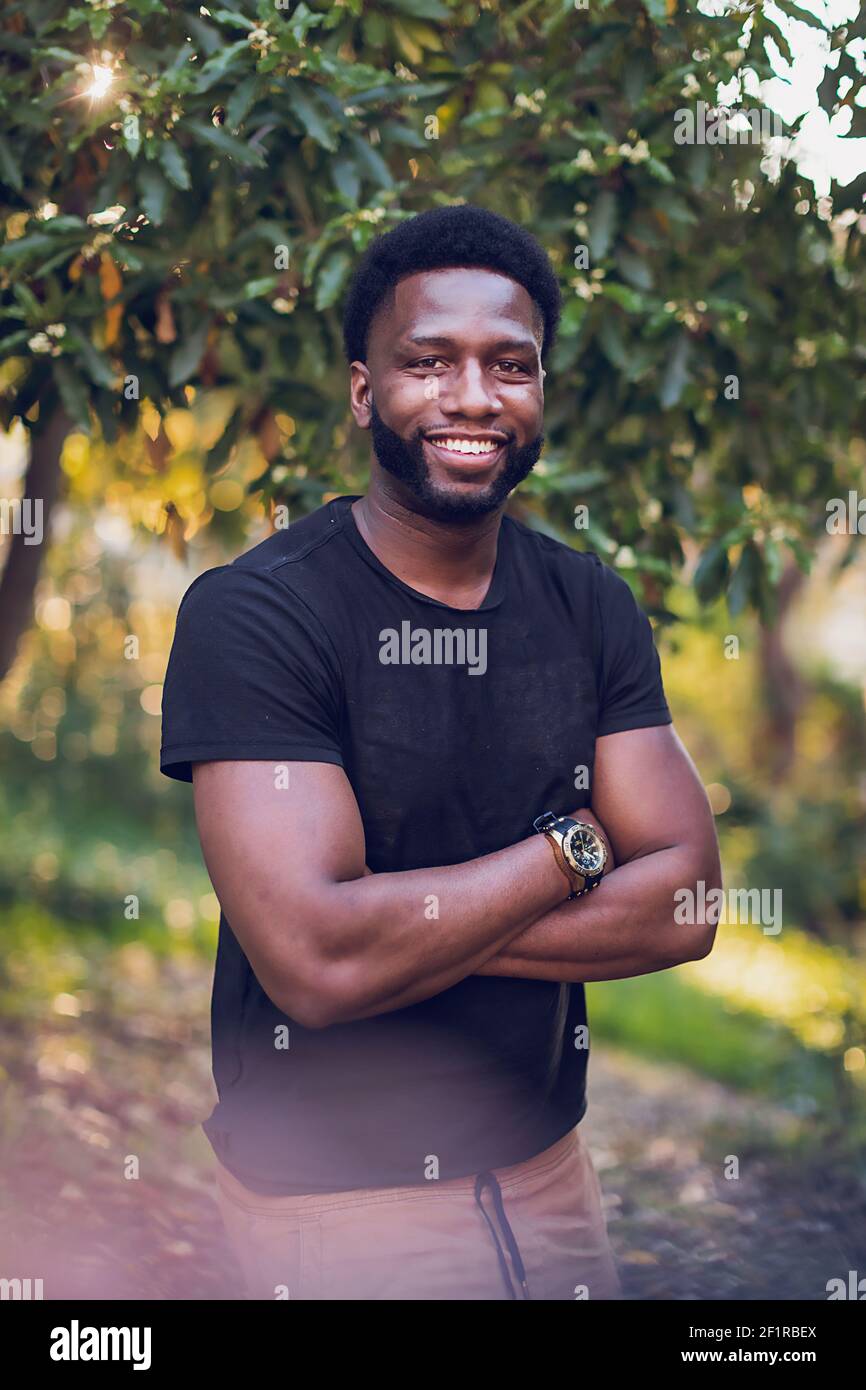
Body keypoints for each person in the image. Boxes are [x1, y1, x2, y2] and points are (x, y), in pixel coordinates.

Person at [159, 204, 722, 1301]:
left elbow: (690, 906)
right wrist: (571, 850)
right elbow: (316, 966)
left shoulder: (588, 602)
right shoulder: (256, 615)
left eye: (509, 365)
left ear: (540, 391)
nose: (473, 397)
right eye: (429, 362)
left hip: (553, 1174)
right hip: (343, 1206)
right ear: (366, 390)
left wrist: (392, 925)